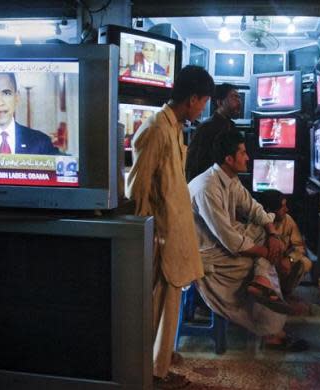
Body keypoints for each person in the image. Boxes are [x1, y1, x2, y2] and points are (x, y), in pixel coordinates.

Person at [125, 65, 214, 389]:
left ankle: (159, 361)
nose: (203, 108)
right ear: (192, 99)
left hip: (173, 234)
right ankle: (154, 374)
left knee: (168, 304)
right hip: (160, 237)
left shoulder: (174, 126)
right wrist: (147, 237)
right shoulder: (156, 128)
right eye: (203, 101)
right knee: (156, 307)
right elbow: (137, 188)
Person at [189, 131, 308, 352]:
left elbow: (254, 208)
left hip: (224, 243)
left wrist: (272, 236)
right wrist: (268, 253)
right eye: (243, 153)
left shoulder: (228, 179)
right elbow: (230, 240)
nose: (248, 158)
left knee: (270, 231)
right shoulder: (207, 188)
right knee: (264, 259)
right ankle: (273, 331)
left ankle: (261, 281)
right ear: (229, 159)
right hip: (209, 254)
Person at [257, 189, 313, 296]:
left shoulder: (287, 220)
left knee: (305, 263)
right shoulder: (255, 223)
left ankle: (285, 293)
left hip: (281, 265)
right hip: (262, 264)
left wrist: (290, 259)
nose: (286, 209)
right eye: (282, 207)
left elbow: (299, 247)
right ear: (270, 211)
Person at [185, 83, 241, 182]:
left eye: (239, 98)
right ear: (220, 102)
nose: (239, 102)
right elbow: (192, 166)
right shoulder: (205, 128)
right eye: (234, 97)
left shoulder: (232, 127)